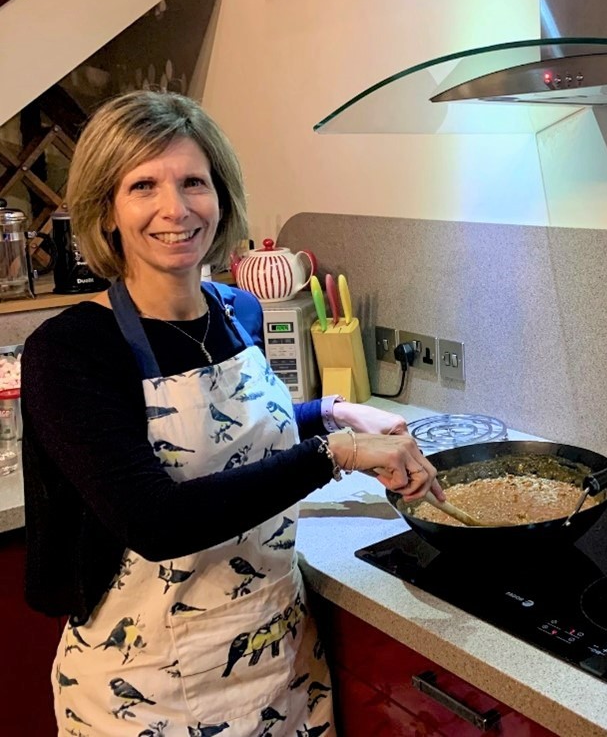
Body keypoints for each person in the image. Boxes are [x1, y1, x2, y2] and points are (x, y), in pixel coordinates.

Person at [20, 89, 443, 735]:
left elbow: (235, 433)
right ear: (106, 209)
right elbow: (154, 520)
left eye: (193, 181)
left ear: (220, 195)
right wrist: (336, 453)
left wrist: (333, 412)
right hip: (148, 688)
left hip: (280, 659)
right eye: (143, 185)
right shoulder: (71, 349)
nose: (176, 208)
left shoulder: (236, 309)